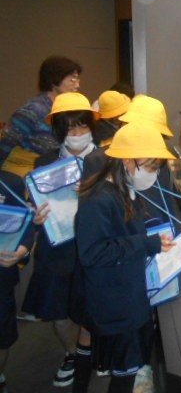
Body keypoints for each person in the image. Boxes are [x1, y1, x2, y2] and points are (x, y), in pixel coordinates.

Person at [74, 122, 175, 393]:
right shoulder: (100, 200)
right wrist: (146, 244)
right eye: (151, 167)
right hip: (115, 303)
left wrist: (152, 243)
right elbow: (92, 253)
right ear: (128, 161)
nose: (153, 174)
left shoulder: (122, 191)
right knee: (124, 373)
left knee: (126, 369)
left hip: (125, 296)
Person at [20, 92, 99, 388]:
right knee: (59, 313)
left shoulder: (108, 160)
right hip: (56, 250)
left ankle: (93, 354)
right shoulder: (44, 163)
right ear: (58, 131)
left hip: (94, 248)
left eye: (82, 126)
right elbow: (33, 205)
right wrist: (34, 215)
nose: (77, 134)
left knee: (93, 308)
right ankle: (72, 354)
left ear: (92, 126)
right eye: (69, 128)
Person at [0, 56, 83, 177]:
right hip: (25, 174)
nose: (77, 85)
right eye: (73, 79)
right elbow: (6, 145)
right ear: (55, 79)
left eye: (77, 79)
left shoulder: (68, 108)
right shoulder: (33, 110)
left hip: (52, 171)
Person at [0, 172, 35, 393]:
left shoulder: (9, 182)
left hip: (2, 277)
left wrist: (23, 249)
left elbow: (26, 222)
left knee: (2, 337)